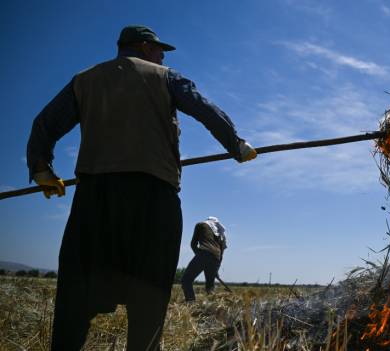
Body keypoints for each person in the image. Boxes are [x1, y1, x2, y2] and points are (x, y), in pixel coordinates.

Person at [26, 25, 257, 350]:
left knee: (74, 301)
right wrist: (236, 144)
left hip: (94, 200)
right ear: (144, 47)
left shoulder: (85, 80)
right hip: (153, 201)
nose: (162, 55)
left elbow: (44, 123)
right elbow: (203, 109)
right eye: (159, 49)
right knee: (148, 308)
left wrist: (41, 169)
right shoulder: (165, 76)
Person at [181, 216, 228, 301]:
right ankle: (213, 308)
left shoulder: (201, 225)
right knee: (210, 286)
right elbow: (221, 254)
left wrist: (199, 256)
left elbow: (193, 244)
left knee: (186, 280)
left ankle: (191, 304)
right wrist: (216, 269)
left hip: (204, 253)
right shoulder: (221, 234)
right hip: (216, 258)